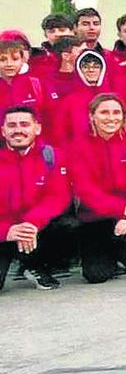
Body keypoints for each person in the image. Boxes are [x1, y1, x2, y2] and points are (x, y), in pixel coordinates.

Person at [67, 94, 126, 282]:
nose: (111, 118)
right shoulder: (78, 145)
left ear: (124, 116)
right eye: (104, 112)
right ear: (92, 116)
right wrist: (119, 207)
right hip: (95, 216)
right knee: (95, 275)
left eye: (116, 113)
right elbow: (84, 188)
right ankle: (117, 257)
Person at [0, 105, 71, 290]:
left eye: (24, 124)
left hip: (38, 228)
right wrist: (6, 230)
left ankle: (35, 265)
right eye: (12, 125)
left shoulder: (52, 156)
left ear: (37, 128)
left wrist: (31, 223)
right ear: (3, 131)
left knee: (68, 225)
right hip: (4, 230)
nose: (18, 130)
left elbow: (59, 196)